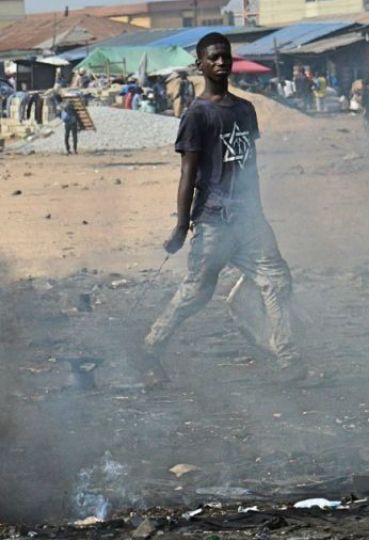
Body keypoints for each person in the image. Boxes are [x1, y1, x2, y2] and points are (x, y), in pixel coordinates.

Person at [138, 33, 316, 390]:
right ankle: (151, 347)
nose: (221, 62)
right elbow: (188, 172)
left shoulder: (244, 109)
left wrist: (259, 210)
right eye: (213, 58)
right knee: (195, 293)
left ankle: (286, 356)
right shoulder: (196, 115)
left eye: (225, 57)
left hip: (248, 218)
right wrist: (181, 225)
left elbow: (249, 164)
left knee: (277, 280)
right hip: (214, 219)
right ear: (200, 65)